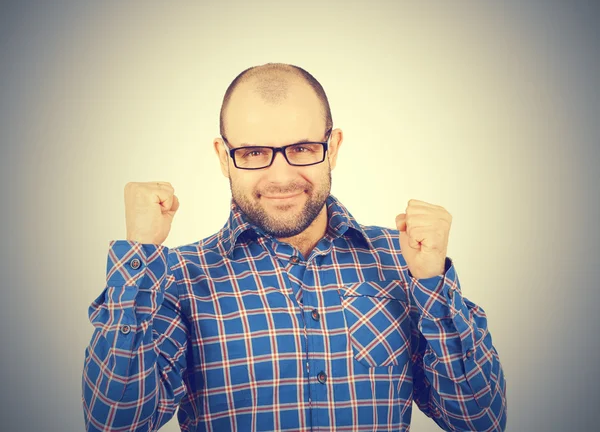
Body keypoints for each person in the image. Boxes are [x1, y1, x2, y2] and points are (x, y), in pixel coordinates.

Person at [82, 62, 507, 431]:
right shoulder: (177, 277)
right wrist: (139, 254)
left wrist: (431, 282)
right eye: (252, 153)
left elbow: (480, 420)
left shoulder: (403, 262)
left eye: (302, 148)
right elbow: (116, 422)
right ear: (224, 157)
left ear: (333, 148)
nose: (281, 176)